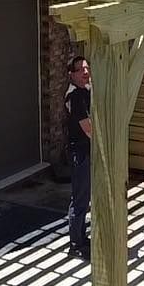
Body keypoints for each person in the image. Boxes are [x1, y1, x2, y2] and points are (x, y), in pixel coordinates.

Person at [65, 56, 92, 259]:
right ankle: (76, 244)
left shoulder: (84, 92)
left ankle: (82, 238)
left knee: (84, 197)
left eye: (87, 68)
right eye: (80, 70)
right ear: (71, 75)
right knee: (80, 199)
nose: (85, 72)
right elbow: (88, 129)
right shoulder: (75, 96)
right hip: (80, 153)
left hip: (85, 151)